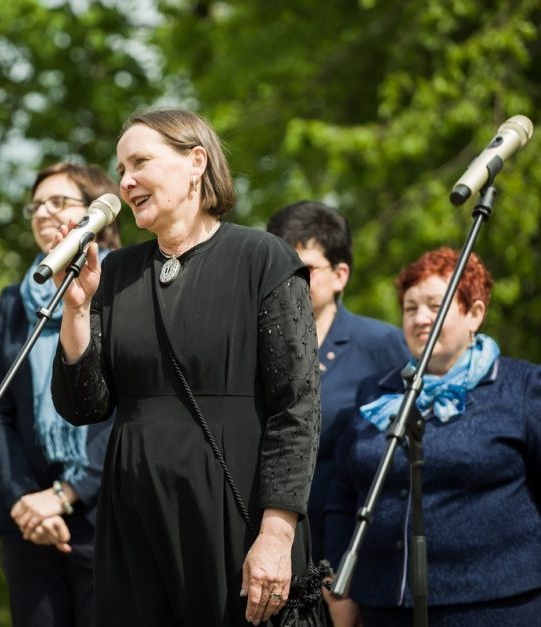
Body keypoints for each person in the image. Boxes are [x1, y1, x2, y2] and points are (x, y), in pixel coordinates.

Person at [49, 107, 322, 626]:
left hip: (232, 511)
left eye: (140, 162)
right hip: (135, 520)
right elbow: (84, 406)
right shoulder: (116, 271)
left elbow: (298, 408)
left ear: (195, 162)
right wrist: (79, 308)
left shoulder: (262, 258)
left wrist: (277, 532)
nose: (125, 181)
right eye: (121, 168)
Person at [325, 247, 541, 626]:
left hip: (497, 606)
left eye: (435, 306)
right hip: (385, 608)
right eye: (410, 309)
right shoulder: (375, 394)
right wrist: (338, 589)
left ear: (474, 314)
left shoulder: (522, 388)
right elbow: (342, 495)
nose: (421, 319)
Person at [0, 162, 121, 627]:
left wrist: (67, 495)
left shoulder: (129, 291)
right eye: (36, 205)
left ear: (99, 213)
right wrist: (27, 500)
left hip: (108, 515)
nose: (43, 213)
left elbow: (131, 413)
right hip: (28, 523)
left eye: (58, 202)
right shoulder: (13, 303)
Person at [266, 201, 409, 561]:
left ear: (340, 275)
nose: (291, 280)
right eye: (281, 267)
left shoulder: (382, 345)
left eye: (306, 268)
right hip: (271, 548)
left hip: (353, 551)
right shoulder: (251, 345)